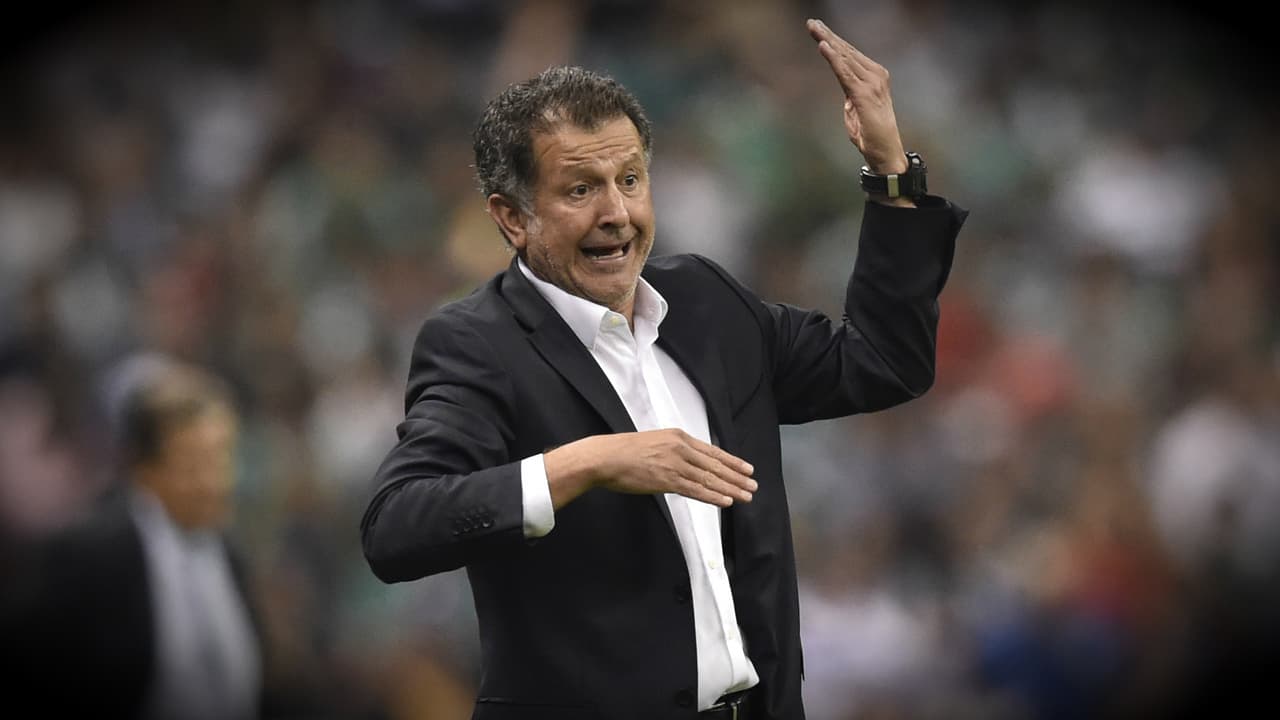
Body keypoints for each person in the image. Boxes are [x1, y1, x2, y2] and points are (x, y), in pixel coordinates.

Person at [361, 18, 967, 720]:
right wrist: (586, 462)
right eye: (580, 190)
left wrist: (891, 173)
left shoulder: (708, 303)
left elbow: (883, 362)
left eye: (629, 180)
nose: (616, 213)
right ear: (512, 218)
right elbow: (395, 528)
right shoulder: (476, 344)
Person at [0, 355, 263, 720]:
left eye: (223, 459)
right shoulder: (90, 555)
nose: (216, 482)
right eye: (194, 464)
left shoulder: (228, 555)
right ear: (144, 468)